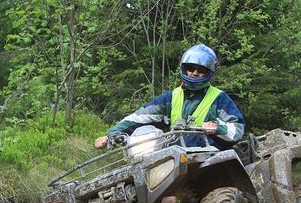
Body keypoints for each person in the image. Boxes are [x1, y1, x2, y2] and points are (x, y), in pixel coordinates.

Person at [94, 44, 246, 149]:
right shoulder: (171, 97)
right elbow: (139, 117)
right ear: (184, 69)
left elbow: (238, 129)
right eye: (191, 68)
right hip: (175, 155)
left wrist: (218, 127)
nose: (194, 73)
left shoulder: (219, 98)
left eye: (200, 69)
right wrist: (109, 135)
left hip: (209, 155)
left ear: (208, 72)